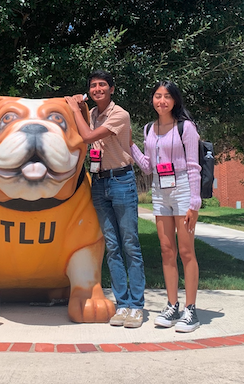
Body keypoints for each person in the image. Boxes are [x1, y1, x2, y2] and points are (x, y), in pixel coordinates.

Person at [65, 70, 146, 328]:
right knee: (111, 246)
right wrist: (78, 102)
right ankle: (122, 304)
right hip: (99, 183)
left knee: (130, 244)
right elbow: (79, 123)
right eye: (93, 86)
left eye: (102, 85)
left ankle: (136, 306)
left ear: (112, 88)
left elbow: (88, 136)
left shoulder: (120, 115)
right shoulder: (91, 114)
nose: (98, 89)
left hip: (121, 181)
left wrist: (75, 108)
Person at [130, 80, 201, 332]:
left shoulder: (186, 128)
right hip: (159, 189)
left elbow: (193, 166)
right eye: (157, 96)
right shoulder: (150, 128)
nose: (161, 101)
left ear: (175, 100)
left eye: (167, 96)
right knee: (166, 250)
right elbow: (148, 166)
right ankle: (172, 305)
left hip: (182, 187)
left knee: (186, 251)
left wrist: (195, 202)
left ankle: (190, 310)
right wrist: (130, 145)